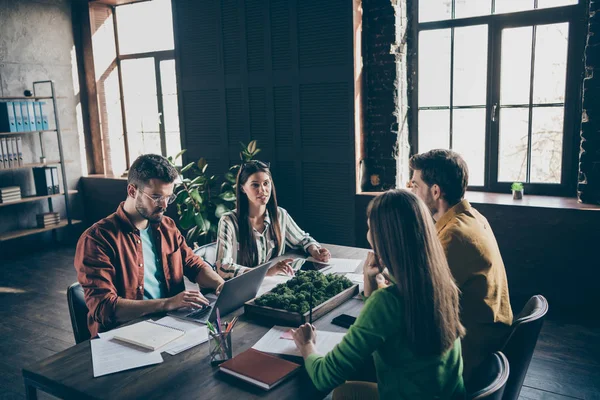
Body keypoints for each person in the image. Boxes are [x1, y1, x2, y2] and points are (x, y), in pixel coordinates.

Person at [292, 190, 466, 399]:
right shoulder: (443, 283)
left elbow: (324, 376)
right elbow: (389, 324)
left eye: (369, 227)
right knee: (344, 392)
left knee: (333, 393)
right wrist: (371, 284)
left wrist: (307, 345)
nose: (367, 234)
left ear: (383, 238)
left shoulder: (388, 302)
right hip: (442, 393)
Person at [74, 154, 225, 337]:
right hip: (123, 334)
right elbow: (104, 308)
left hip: (172, 325)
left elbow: (194, 265)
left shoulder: (167, 226)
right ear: (132, 191)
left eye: (169, 197)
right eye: (156, 197)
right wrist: (167, 303)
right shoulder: (97, 239)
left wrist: (220, 285)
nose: (164, 205)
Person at [409, 149, 513, 381]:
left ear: (435, 191)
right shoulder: (472, 216)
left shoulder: (454, 235)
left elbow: (421, 303)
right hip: (486, 335)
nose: (411, 190)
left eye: (415, 185)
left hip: (469, 351)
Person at [216, 160, 330, 279]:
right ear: (242, 188)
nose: (263, 190)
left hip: (275, 282)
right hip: (243, 288)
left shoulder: (279, 214)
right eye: (255, 185)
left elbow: (303, 239)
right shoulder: (228, 221)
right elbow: (223, 267)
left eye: (266, 183)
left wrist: (315, 250)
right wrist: (265, 272)